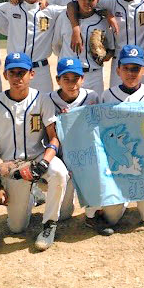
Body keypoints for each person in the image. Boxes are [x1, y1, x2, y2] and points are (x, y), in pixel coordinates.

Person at [0, 52, 70, 251]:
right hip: (11, 166)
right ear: (5, 75)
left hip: (38, 157)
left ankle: (49, 223)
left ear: (31, 74)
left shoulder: (42, 100)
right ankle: (33, 196)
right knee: (17, 227)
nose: (18, 77)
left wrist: (45, 162)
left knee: (59, 172)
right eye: (13, 73)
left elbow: (54, 137)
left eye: (22, 72)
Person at [84, 45, 144, 235]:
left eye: (135, 68)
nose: (130, 73)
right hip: (118, 167)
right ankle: (122, 199)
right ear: (118, 70)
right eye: (126, 68)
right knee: (111, 217)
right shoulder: (107, 95)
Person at [0, 0, 66, 93]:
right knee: (18, 108)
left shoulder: (51, 10)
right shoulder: (11, 7)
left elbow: (75, 7)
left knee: (43, 107)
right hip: (17, 69)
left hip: (41, 70)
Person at [48, 57, 100, 220]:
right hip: (61, 157)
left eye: (76, 78)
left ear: (83, 79)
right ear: (58, 80)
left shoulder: (92, 97)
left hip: (86, 156)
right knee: (63, 215)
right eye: (66, 79)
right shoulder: (48, 100)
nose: (72, 84)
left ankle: (93, 214)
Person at [52, 0, 115, 97]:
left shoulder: (103, 22)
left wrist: (105, 56)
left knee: (94, 112)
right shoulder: (64, 18)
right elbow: (56, 46)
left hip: (94, 76)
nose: (87, 1)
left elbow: (111, 48)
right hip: (69, 75)